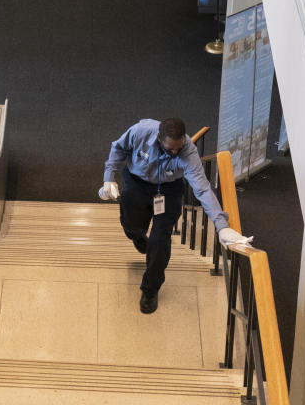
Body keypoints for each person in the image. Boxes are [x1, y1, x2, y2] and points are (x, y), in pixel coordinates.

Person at [100, 118, 251, 314]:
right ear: (159, 138)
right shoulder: (140, 131)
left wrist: (222, 226)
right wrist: (108, 178)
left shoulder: (187, 151)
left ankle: (150, 289)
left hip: (168, 190)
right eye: (170, 149)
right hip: (137, 182)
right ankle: (138, 237)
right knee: (131, 226)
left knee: (160, 241)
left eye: (178, 148)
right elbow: (118, 148)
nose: (175, 153)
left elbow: (203, 189)